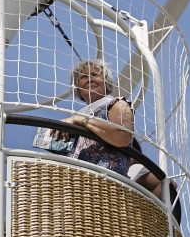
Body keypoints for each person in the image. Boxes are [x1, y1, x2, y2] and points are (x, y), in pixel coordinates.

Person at [60, 58, 161, 193]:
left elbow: (123, 136)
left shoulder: (117, 104)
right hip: (77, 185)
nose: (89, 79)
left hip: (106, 185)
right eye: (84, 77)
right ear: (78, 86)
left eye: (95, 75)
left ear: (106, 82)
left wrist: (81, 120)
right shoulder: (75, 116)